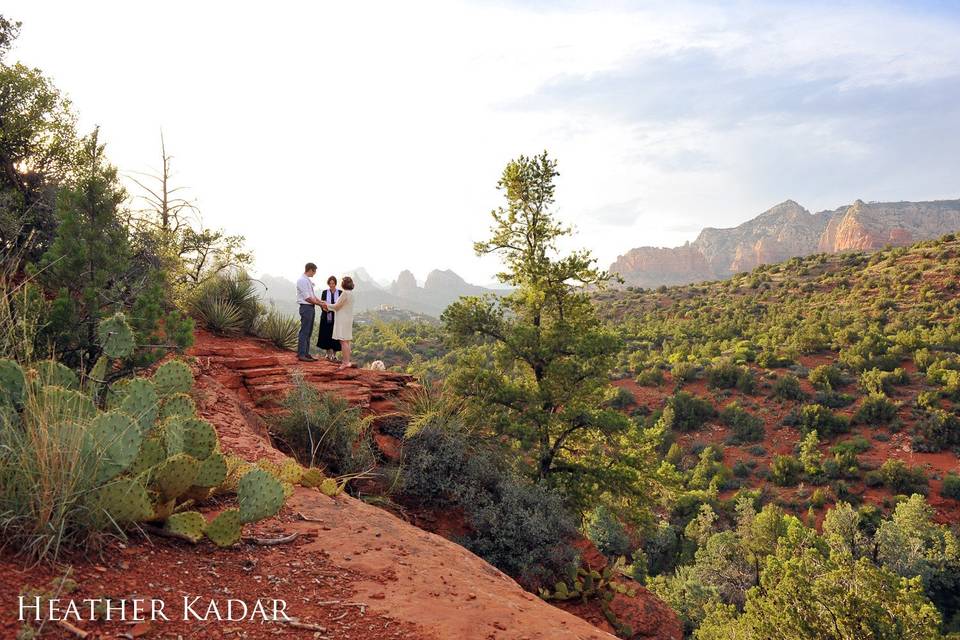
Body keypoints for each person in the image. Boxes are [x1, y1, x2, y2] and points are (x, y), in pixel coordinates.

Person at [321, 275, 355, 370]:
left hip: (343, 319)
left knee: (343, 341)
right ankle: (347, 361)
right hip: (348, 319)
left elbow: (336, 306)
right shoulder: (351, 293)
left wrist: (326, 305)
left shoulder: (344, 293)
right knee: (347, 341)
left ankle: (345, 362)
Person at [296, 262, 323, 362]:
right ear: (310, 270)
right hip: (306, 307)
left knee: (309, 331)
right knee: (304, 331)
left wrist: (320, 301)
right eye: (314, 271)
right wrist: (320, 304)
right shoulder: (302, 280)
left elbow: (312, 296)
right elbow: (307, 298)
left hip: (310, 307)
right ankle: (301, 354)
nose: (314, 273)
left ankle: (306, 353)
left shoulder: (307, 280)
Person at [316, 275, 342, 361]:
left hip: (337, 317)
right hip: (326, 315)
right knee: (326, 334)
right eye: (330, 283)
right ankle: (327, 354)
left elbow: (341, 304)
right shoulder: (324, 292)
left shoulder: (340, 292)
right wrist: (325, 309)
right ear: (328, 284)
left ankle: (334, 355)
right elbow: (322, 303)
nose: (332, 285)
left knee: (336, 336)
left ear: (335, 283)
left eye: (333, 283)